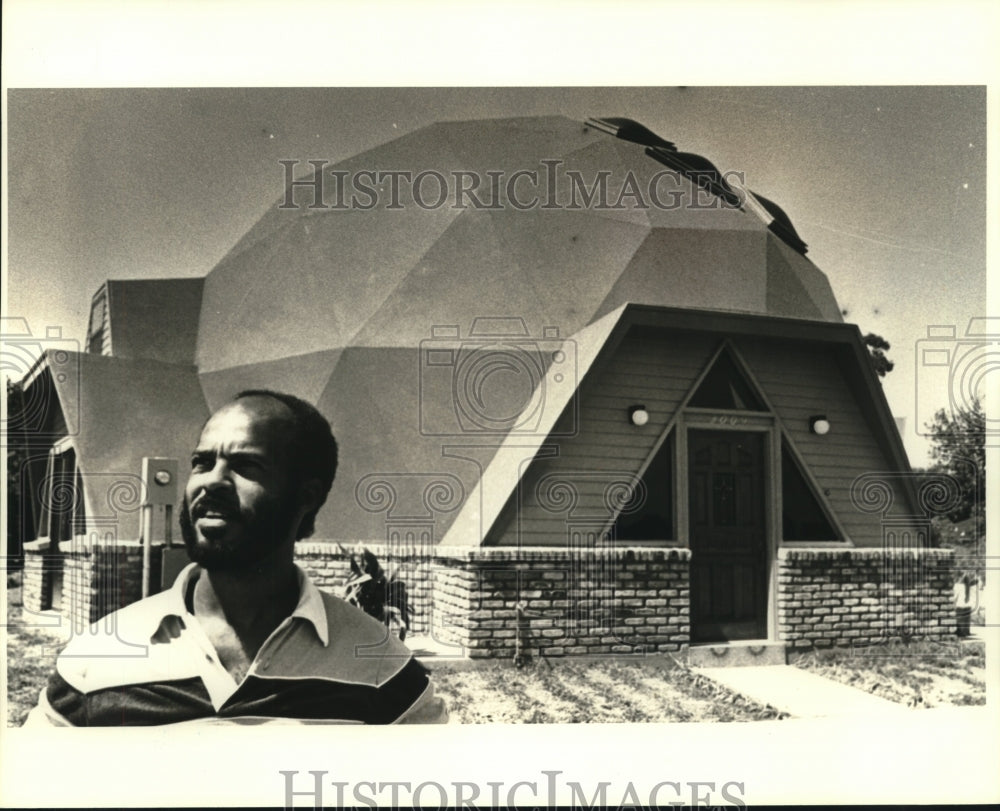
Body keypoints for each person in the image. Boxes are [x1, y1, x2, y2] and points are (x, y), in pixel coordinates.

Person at [26, 390, 447, 725]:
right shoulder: (96, 660)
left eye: (246, 466)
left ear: (306, 496)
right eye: (202, 462)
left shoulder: (381, 670)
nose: (212, 482)